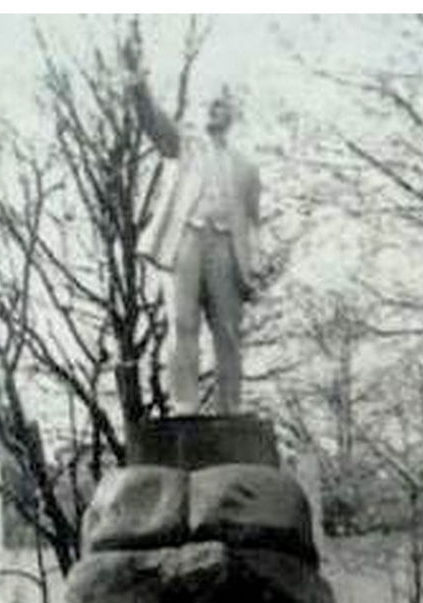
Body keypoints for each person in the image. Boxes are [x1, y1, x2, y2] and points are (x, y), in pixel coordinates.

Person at [121, 36, 262, 415]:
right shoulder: (184, 144)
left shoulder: (247, 167)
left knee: (228, 333)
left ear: (233, 113)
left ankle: (230, 408)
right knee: (182, 323)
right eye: (210, 102)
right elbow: (152, 122)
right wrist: (137, 81)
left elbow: (253, 223)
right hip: (186, 240)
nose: (215, 108)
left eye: (223, 103)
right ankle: (184, 404)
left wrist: (256, 268)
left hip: (226, 247)